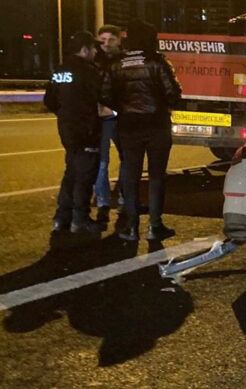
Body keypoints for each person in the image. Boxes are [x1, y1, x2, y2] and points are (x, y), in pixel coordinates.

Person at [103, 19, 182, 242]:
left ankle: (131, 227)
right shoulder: (157, 61)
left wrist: (123, 108)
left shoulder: (116, 64)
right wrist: (162, 105)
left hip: (128, 127)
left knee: (131, 175)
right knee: (156, 176)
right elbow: (173, 93)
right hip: (157, 126)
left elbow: (105, 94)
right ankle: (155, 226)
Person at [43, 32, 104, 236]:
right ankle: (80, 219)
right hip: (87, 131)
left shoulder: (60, 70)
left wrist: (65, 114)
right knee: (85, 176)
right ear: (84, 49)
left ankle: (61, 218)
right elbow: (102, 97)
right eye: (93, 48)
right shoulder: (89, 71)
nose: (95, 52)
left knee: (71, 173)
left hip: (67, 130)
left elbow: (49, 100)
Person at [94, 24, 125, 224]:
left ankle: (123, 198)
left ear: (119, 40)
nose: (106, 44)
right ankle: (103, 204)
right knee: (101, 161)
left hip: (122, 116)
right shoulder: (93, 62)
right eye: (102, 40)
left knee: (127, 159)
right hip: (102, 117)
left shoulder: (125, 61)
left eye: (111, 40)